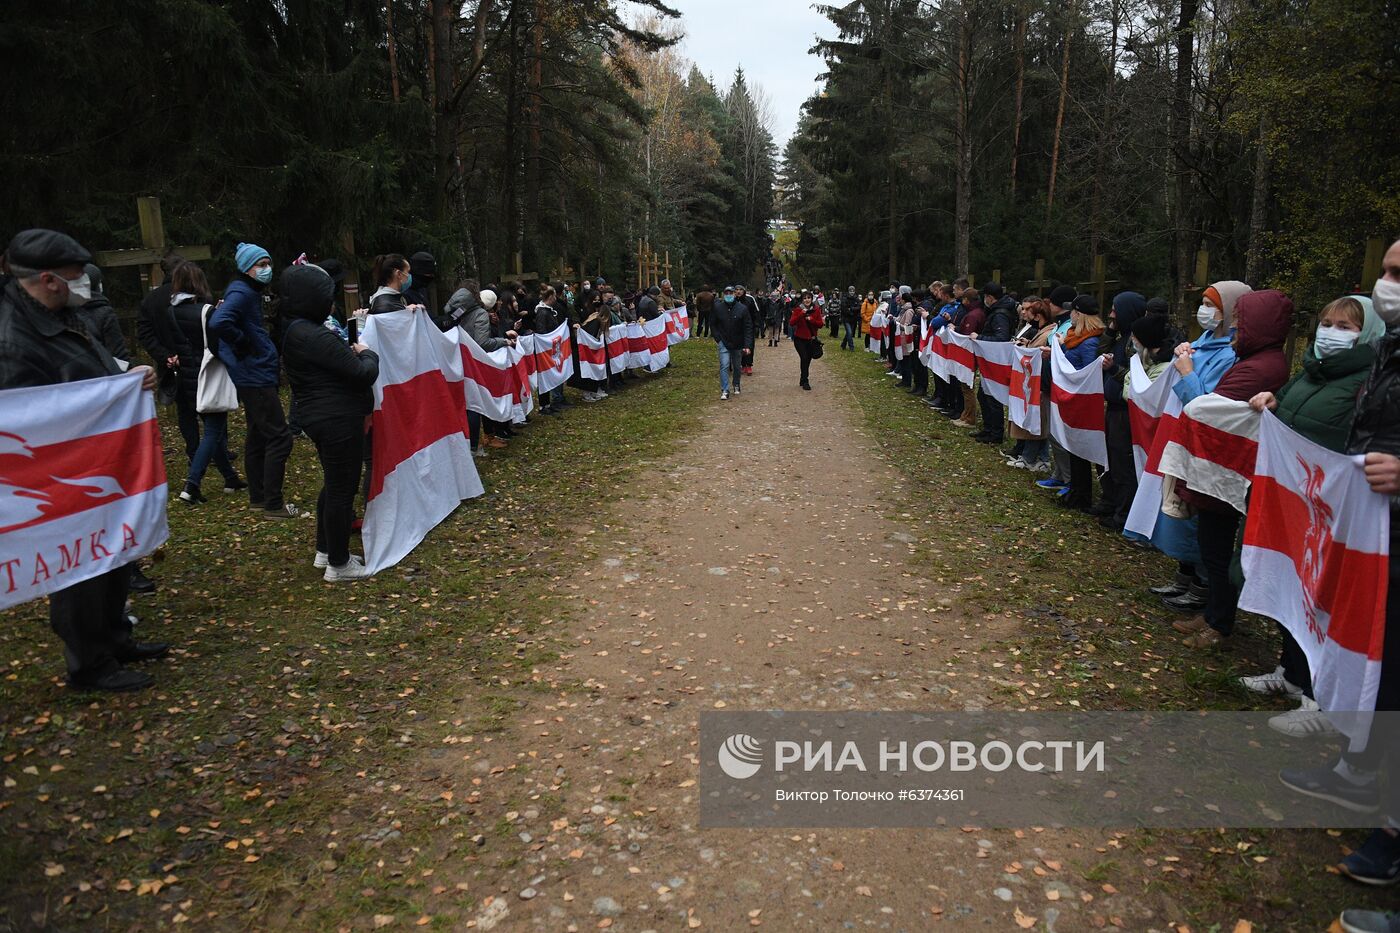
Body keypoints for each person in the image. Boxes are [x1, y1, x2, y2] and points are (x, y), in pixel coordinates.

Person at [0, 229, 168, 691]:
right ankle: (89, 663)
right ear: (50, 280)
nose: (83, 285)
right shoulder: (13, 339)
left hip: (98, 459)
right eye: (76, 277)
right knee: (77, 566)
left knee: (113, 551)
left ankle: (116, 637)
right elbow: (28, 417)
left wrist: (125, 379)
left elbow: (93, 368)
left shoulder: (66, 314)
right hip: (60, 475)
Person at [1288, 241, 1400, 903]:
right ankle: (1361, 770)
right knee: (1378, 670)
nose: (1388, 285)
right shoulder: (1389, 354)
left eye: (1398, 274)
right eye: (1387, 271)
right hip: (1375, 541)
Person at [1238, 295, 1384, 735]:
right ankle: (1291, 673)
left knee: (1325, 602)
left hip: (1337, 515)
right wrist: (1273, 399)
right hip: (1297, 507)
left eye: (1345, 325)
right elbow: (1292, 410)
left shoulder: (1371, 384)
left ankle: (1321, 701)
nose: (1331, 331)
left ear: (1369, 334)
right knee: (1293, 591)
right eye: (1326, 321)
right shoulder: (1311, 371)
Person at [1171, 289, 1292, 649]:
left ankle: (1220, 623)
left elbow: (1204, 408)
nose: (1234, 327)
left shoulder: (1259, 367)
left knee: (1219, 549)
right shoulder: (1253, 359)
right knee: (1214, 546)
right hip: (1226, 467)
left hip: (1231, 469)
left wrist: (1188, 373)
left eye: (1241, 321)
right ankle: (1213, 614)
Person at [1152, 280, 1253, 610]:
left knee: (1199, 513)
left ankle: (1201, 583)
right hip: (1186, 437)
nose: (1205, 311)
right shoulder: (1203, 342)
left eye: (1213, 306)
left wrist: (1187, 370)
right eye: (1204, 303)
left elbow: (1205, 404)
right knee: (1181, 504)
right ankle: (1184, 574)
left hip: (1207, 440)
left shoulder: (1229, 354)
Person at [279, 263, 379, 582]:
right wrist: (367, 353)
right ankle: (339, 563)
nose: (331, 302)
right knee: (341, 489)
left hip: (323, 415)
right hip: (336, 418)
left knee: (333, 483)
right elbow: (362, 372)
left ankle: (326, 550)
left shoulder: (299, 329)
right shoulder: (311, 335)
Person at [208, 242, 299, 519]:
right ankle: (273, 503)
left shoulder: (247, 291)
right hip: (254, 374)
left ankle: (259, 497)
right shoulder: (241, 292)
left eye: (268, 263)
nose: (266, 269)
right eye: (260, 265)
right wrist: (244, 344)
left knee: (258, 434)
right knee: (280, 437)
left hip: (254, 371)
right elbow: (219, 321)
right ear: (246, 268)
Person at [170, 263, 247, 503]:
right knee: (214, 430)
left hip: (186, 377)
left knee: (214, 430)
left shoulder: (170, 311)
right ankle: (192, 485)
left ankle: (229, 477)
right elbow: (217, 344)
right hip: (208, 376)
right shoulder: (206, 312)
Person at [1096, 292, 1147, 529]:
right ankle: (1111, 501)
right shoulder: (1120, 337)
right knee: (1109, 457)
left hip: (1126, 410)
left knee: (1122, 460)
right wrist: (1109, 330)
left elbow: (1137, 378)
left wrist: (1114, 368)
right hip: (1113, 406)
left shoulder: (1136, 342)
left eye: (1116, 310)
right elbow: (1101, 353)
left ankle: (1124, 513)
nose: (1111, 314)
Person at [1056, 295, 1106, 511]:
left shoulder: (1090, 341)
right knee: (1074, 448)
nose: (1070, 316)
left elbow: (1089, 373)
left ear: (1079, 314)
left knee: (1082, 450)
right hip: (1072, 399)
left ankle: (1083, 494)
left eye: (1073, 312)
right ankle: (1077, 491)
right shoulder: (1075, 337)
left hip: (1082, 401)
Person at [1005, 298, 1057, 470]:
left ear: (1038, 315)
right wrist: (1027, 344)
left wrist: (1029, 348)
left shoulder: (1048, 332)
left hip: (1040, 382)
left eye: (1030, 311)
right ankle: (1041, 457)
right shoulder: (1042, 331)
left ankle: (1030, 457)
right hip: (1036, 381)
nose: (1026, 313)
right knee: (1039, 421)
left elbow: (1041, 353)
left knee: (1037, 421)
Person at [972, 281, 1017, 444]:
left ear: (990, 298)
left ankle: (996, 432)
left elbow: (1001, 338)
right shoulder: (996, 311)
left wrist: (980, 338)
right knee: (983, 395)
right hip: (990, 360)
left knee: (992, 397)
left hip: (996, 360)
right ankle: (988, 428)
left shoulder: (1000, 314)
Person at [950, 289, 985, 429]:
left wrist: (956, 330)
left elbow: (966, 333)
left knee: (967, 385)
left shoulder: (973, 315)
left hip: (969, 354)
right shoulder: (977, 312)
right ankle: (966, 413)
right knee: (966, 385)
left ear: (967, 300)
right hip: (972, 353)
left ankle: (970, 417)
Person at [711, 285, 752, 399]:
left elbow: (748, 327)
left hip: (738, 342)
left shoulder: (742, 309)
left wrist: (747, 345)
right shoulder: (718, 308)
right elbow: (713, 324)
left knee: (737, 366)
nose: (729, 295)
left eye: (731, 293)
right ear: (724, 295)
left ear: (734, 294)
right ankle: (725, 389)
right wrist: (718, 338)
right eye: (726, 293)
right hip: (723, 341)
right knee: (724, 365)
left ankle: (736, 384)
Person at [790, 289, 824, 391]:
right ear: (802, 300)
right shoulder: (798, 309)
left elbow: (821, 324)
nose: (807, 300)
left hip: (811, 340)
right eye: (804, 298)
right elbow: (791, 323)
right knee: (804, 358)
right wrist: (801, 314)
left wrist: (812, 320)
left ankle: (802, 377)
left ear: (811, 299)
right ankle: (805, 381)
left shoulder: (816, 309)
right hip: (799, 339)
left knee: (807, 360)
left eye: (808, 298)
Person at [736, 285, 761, 374]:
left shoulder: (750, 299)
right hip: (737, 327)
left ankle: (749, 365)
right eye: (737, 290)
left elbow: (756, 312)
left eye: (740, 290)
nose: (738, 291)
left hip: (749, 326)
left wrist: (756, 324)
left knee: (749, 345)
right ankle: (743, 364)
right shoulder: (733, 300)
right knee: (739, 346)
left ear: (744, 291)